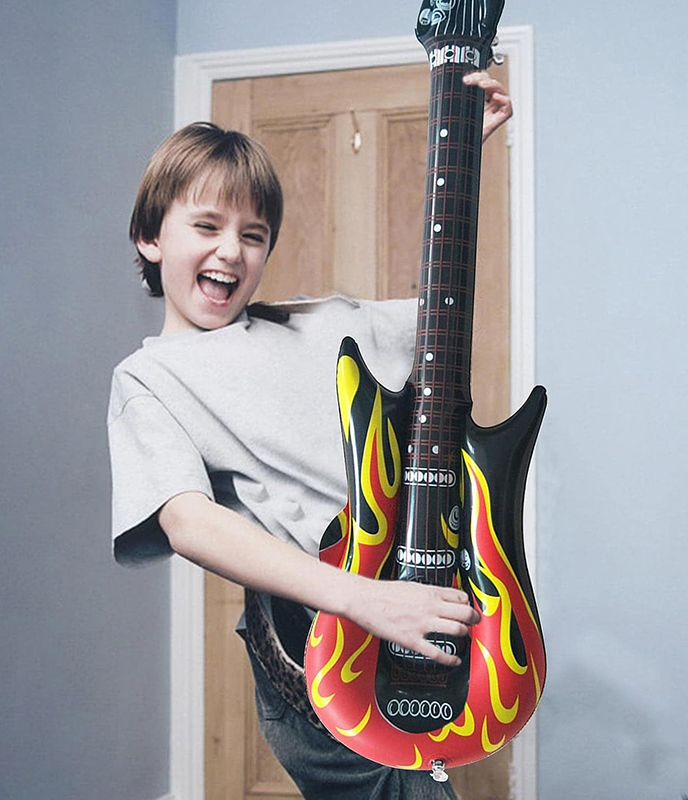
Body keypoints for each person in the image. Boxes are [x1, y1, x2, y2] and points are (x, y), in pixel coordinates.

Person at [109, 71, 513, 799]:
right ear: (149, 236)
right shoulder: (151, 378)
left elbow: (438, 313)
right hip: (316, 632)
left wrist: (463, 165)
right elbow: (187, 521)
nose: (232, 251)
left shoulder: (317, 322)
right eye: (207, 227)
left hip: (404, 599)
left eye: (253, 235)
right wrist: (362, 600)